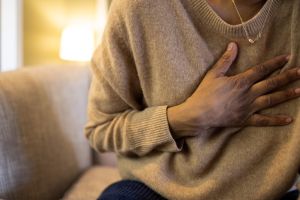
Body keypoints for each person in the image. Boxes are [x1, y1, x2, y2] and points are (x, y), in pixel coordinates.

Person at [85, 0, 300, 199]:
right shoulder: (138, 8)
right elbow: (101, 129)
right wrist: (187, 118)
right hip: (156, 191)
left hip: (273, 193)